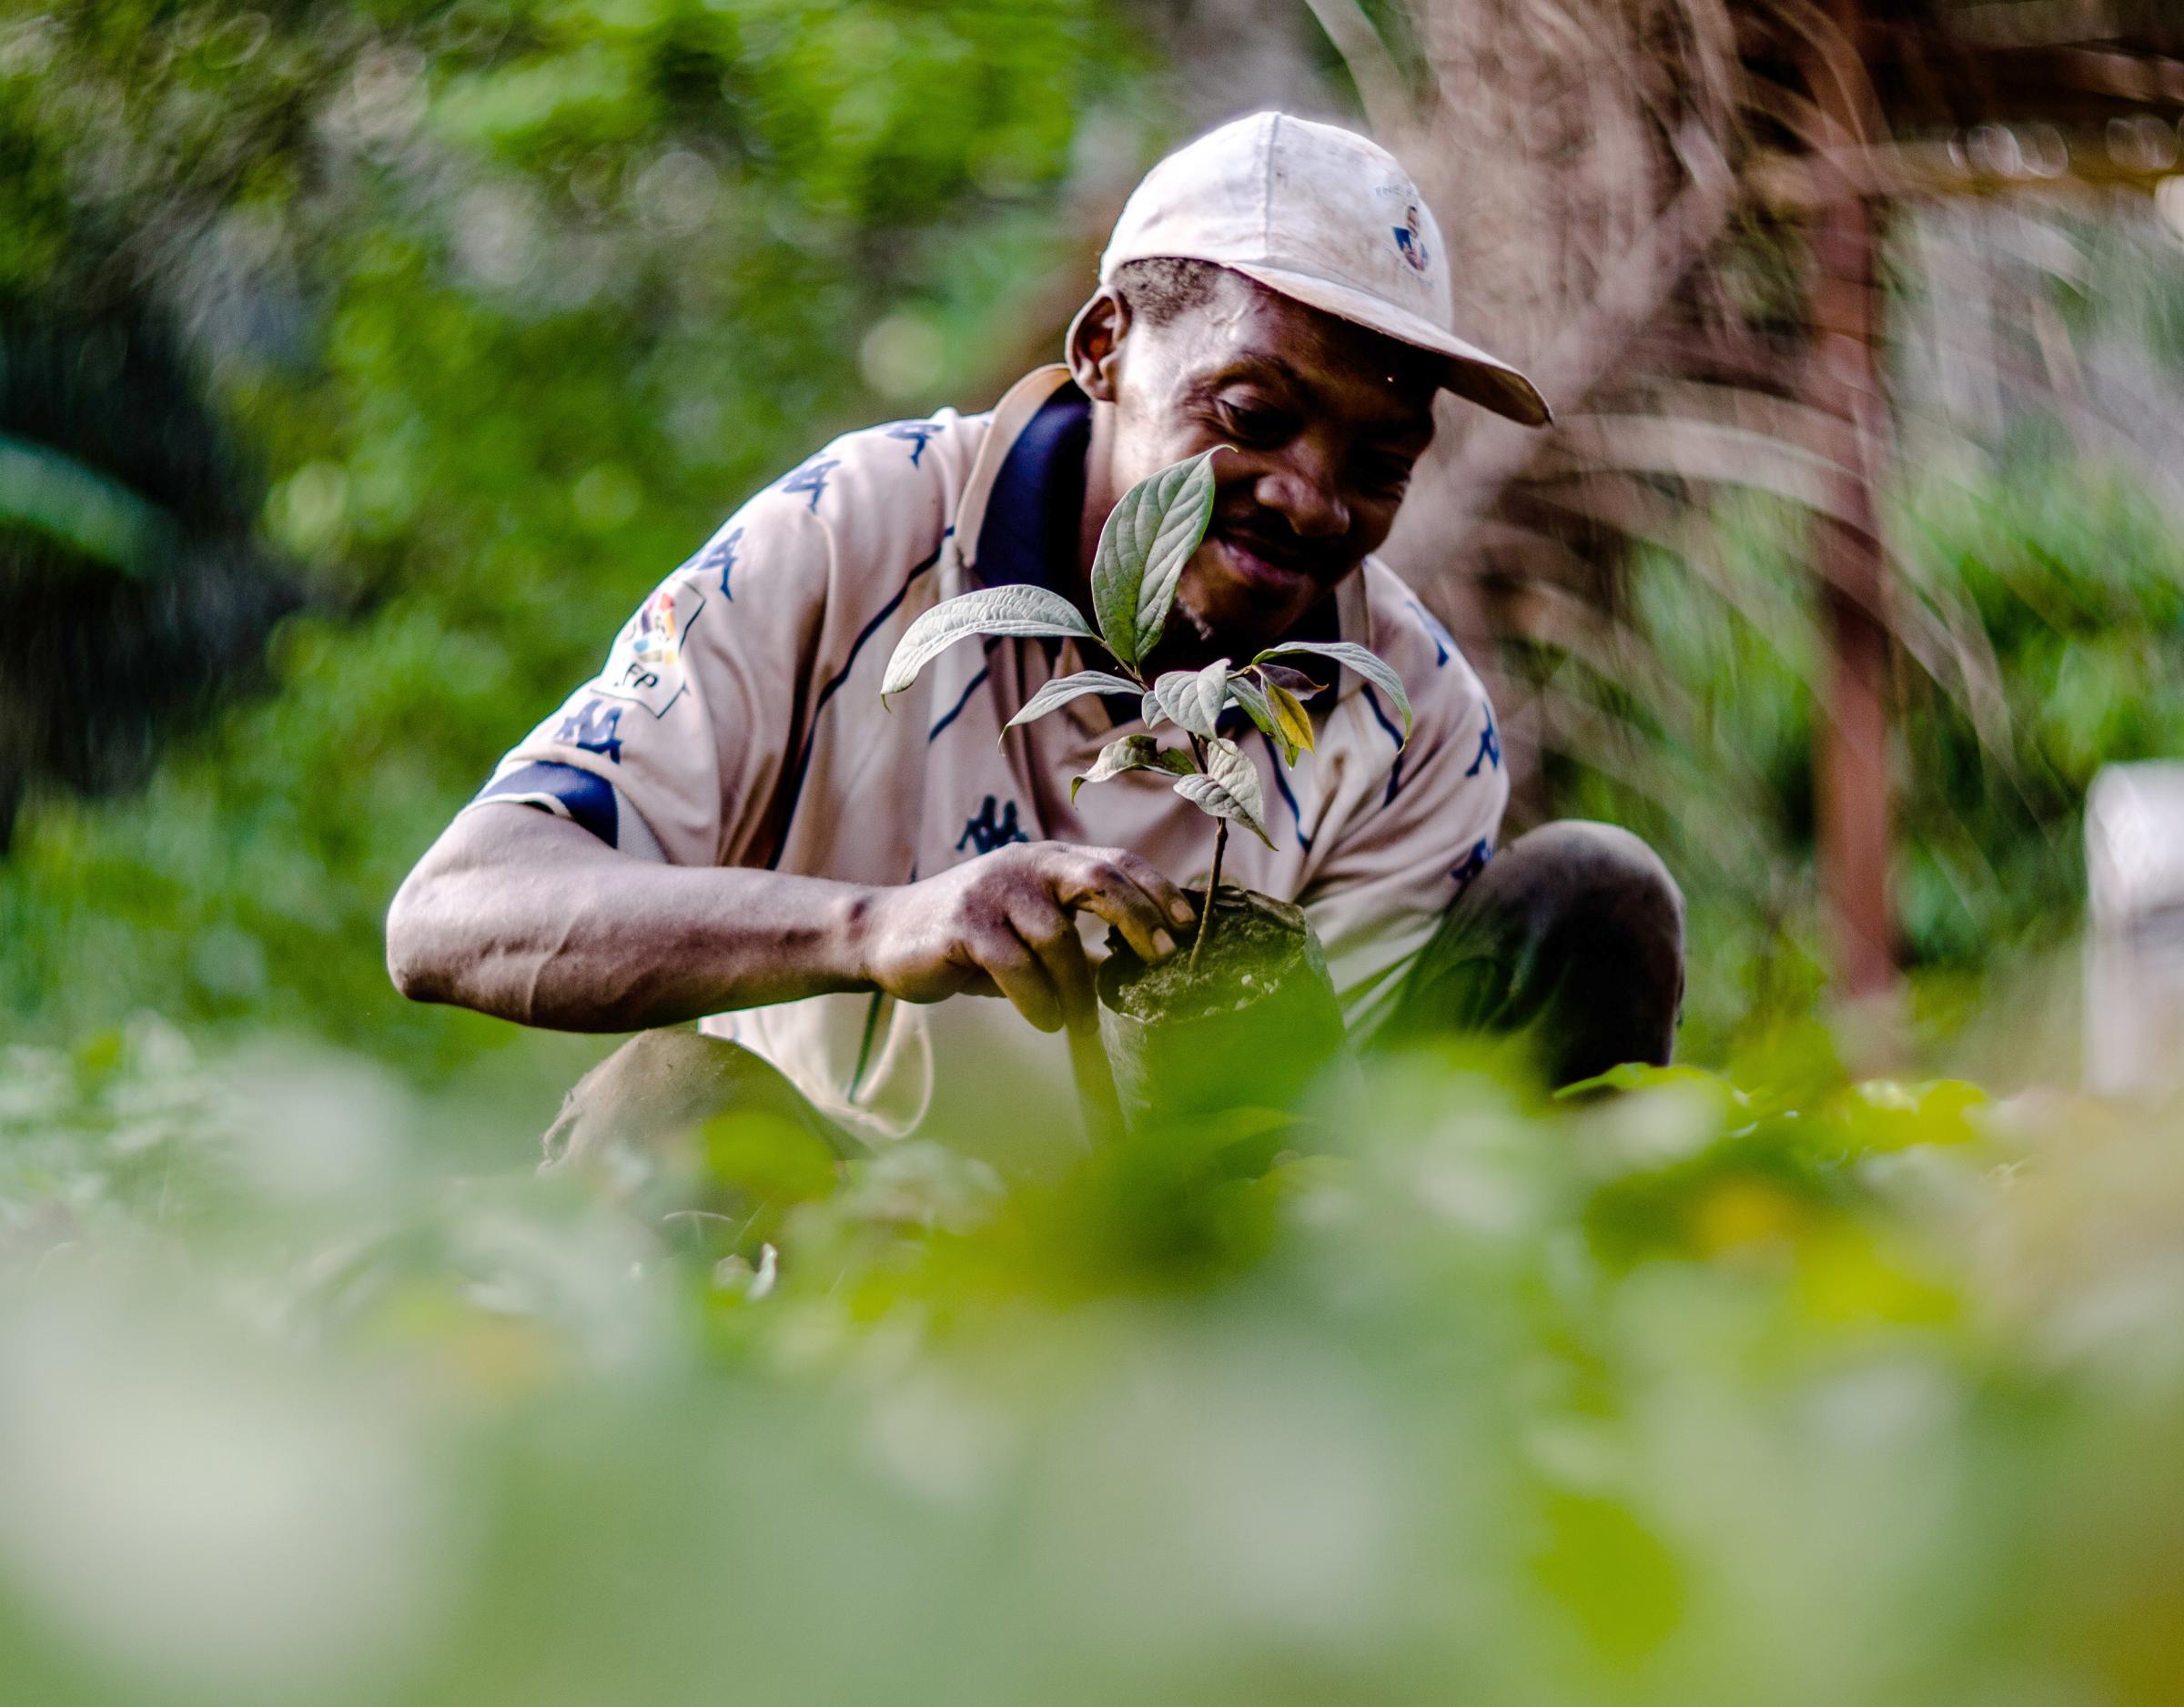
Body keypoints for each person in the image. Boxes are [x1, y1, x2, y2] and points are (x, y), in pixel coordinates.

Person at [386, 112, 1684, 1173]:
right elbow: (451, 916)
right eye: (1255, 412)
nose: (1311, 495)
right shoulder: (858, 534)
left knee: (1594, 897)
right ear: (1106, 347)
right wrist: (874, 926)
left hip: (1205, 1281)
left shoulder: (1408, 716)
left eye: (1378, 462)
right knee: (665, 1106)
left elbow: (1329, 1179)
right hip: (847, 1228)